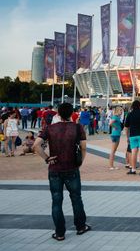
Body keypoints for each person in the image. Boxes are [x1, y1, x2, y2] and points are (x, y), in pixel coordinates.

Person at [33, 103, 91, 241]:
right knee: (76, 198)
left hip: (55, 169)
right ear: (72, 114)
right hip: (72, 168)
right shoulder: (77, 127)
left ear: (57, 114)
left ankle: (60, 233)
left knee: (56, 201)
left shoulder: (50, 128)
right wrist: (80, 161)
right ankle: (81, 227)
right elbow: (83, 147)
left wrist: (47, 158)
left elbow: (36, 145)